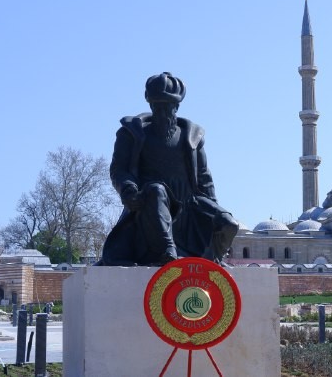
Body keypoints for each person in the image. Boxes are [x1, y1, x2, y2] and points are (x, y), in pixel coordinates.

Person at [99, 72, 239, 266]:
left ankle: (209, 264)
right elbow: (119, 170)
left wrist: (212, 212)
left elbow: (204, 179)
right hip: (151, 204)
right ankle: (168, 254)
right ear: (150, 104)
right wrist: (128, 189)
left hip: (190, 205)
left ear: (177, 106)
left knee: (229, 224)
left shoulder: (191, 137)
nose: (163, 112)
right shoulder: (132, 133)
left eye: (168, 106)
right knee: (156, 190)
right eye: (158, 106)